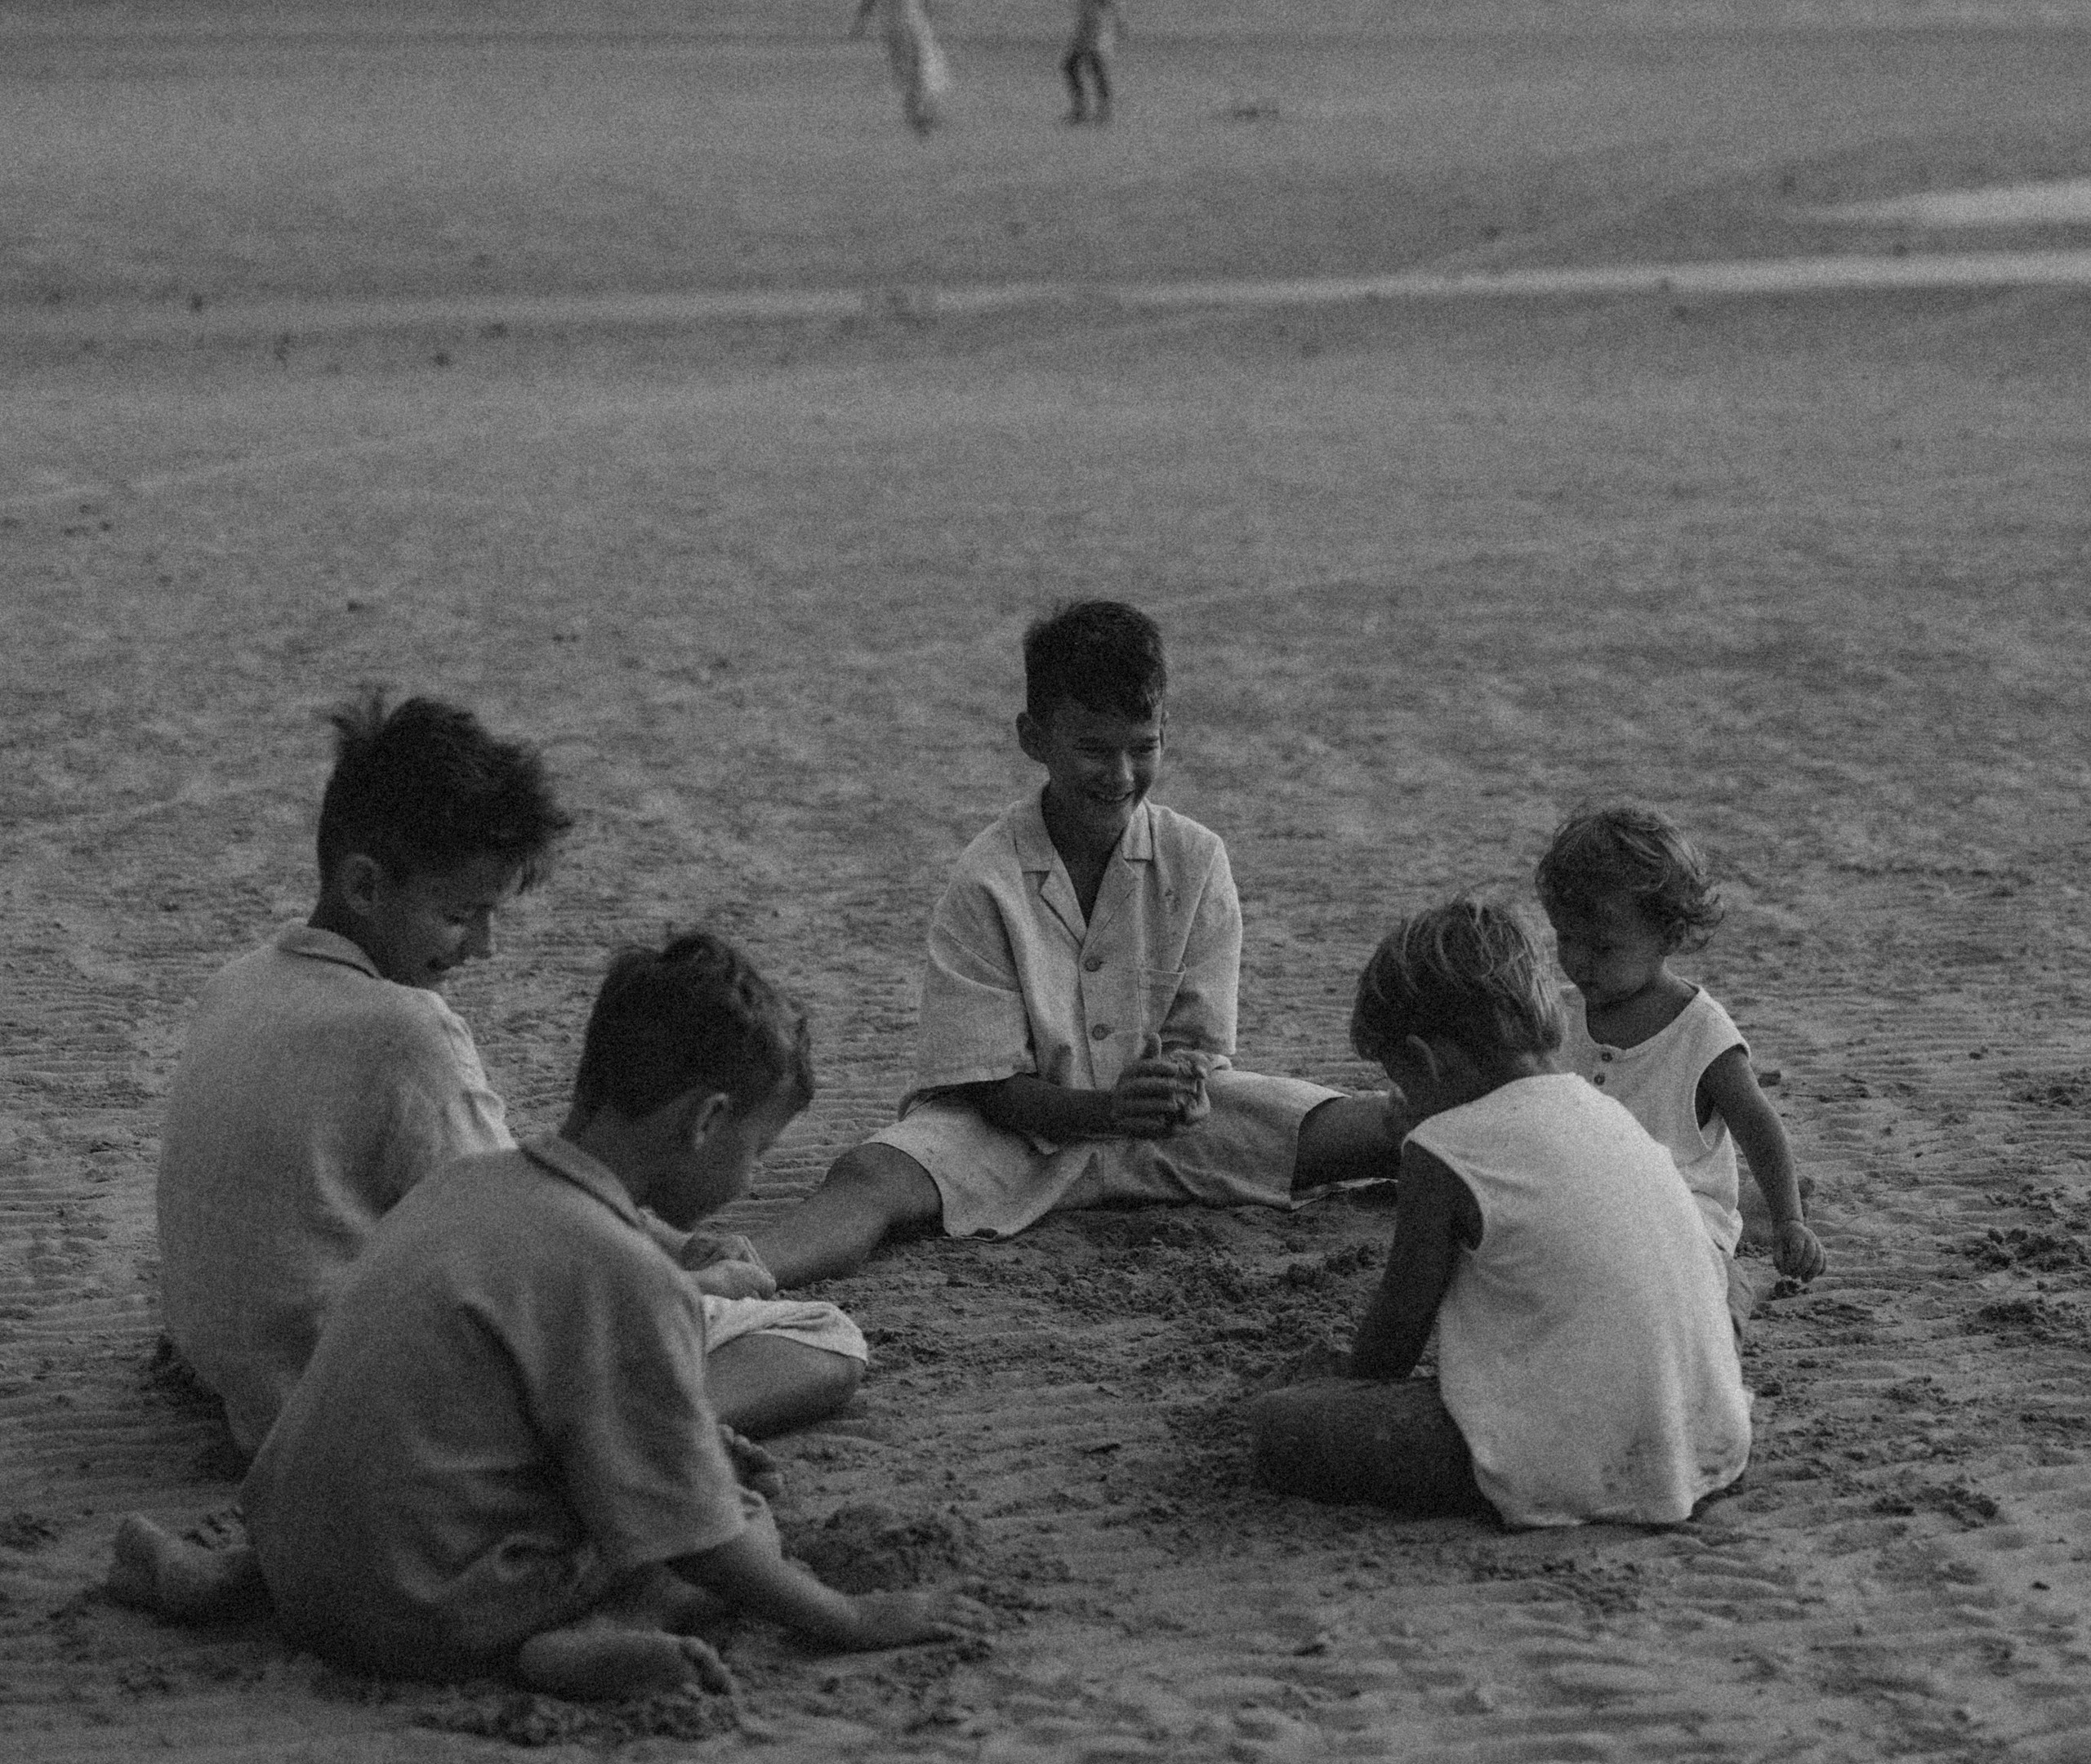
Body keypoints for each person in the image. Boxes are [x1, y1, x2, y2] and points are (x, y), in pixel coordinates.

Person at [114, 933, 983, 1694]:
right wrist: (848, 1618)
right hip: (426, 1616)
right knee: (743, 1517)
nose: (749, 1180)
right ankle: (583, 1639)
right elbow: (700, 1540)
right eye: (755, 1151)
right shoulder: (624, 1268)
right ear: (706, 1121)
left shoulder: (460, 1184)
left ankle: (226, 1583)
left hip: (296, 1567)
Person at [154, 693, 864, 1460]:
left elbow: (481, 1181)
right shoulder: (405, 1029)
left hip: (237, 1375)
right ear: (364, 887)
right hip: (360, 1412)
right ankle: (621, 1441)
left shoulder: (236, 983)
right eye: (461, 916)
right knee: (821, 1338)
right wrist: (683, 1289)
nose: (483, 948)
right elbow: (518, 1242)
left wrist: (662, 1240)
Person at [740, 601, 1426, 1287]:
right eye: (1094, 749)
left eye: (1143, 746)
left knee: (1381, 1126)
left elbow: (1200, 1047)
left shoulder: (1197, 857)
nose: (1122, 774)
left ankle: (1513, 1131)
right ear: (1033, 738)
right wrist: (1105, 1112)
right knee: (869, 1176)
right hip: (1010, 1138)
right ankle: (736, 1277)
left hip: (1162, 1137)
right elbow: (990, 1090)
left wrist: (1178, 1088)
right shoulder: (988, 877)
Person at [1250, 899, 1753, 1528]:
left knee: (1280, 1427)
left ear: (1421, 1061)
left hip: (1565, 1466)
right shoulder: (1606, 1111)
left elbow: (1392, 1341)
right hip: (1709, 1445)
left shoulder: (1442, 1153)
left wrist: (1341, 1387)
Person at [1535, 802, 1825, 1312]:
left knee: (1705, 1297)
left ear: (1668, 937)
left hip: (1684, 1223)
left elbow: (1758, 1126)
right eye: (1566, 940)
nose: (1579, 961)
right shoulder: (1560, 1015)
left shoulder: (1700, 1031)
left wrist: (1790, 1219)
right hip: (1583, 1217)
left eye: (1602, 947)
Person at [853, 0, 952, 135]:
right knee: (908, 70)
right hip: (896, 27)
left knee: (924, 66)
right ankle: (917, 116)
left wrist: (930, 18)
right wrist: (860, 24)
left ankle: (922, 115)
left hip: (914, 24)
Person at [1062, 0, 1121, 122]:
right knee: (1079, 65)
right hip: (1088, 21)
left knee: (1086, 64)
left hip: (1095, 23)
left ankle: (1097, 110)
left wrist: (1115, 17)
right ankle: (1086, 110)